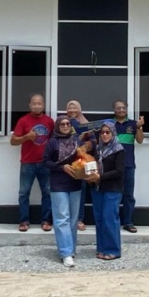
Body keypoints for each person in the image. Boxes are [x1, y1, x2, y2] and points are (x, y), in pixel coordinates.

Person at [43, 115, 85, 268]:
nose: (66, 126)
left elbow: (83, 157)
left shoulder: (76, 141)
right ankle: (65, 253)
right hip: (58, 184)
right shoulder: (52, 142)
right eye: (62, 124)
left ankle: (71, 249)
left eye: (68, 124)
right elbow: (45, 161)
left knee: (73, 219)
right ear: (58, 126)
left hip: (75, 183)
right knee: (62, 218)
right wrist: (62, 167)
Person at [10, 93, 54, 232]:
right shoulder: (23, 121)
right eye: (34, 103)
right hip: (28, 162)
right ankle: (24, 221)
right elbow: (13, 141)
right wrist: (26, 137)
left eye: (39, 103)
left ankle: (46, 220)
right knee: (24, 193)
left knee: (47, 192)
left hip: (45, 163)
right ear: (30, 105)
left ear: (43, 105)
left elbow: (54, 141)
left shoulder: (49, 121)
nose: (37, 106)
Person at [86, 120, 126, 260]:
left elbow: (119, 171)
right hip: (97, 188)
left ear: (113, 133)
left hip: (112, 189)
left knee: (110, 219)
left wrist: (100, 177)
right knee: (100, 219)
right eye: (102, 132)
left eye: (107, 132)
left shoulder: (118, 149)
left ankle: (113, 250)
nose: (104, 135)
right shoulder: (98, 149)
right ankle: (102, 248)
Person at [107, 98, 146, 233]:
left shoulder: (133, 124)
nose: (121, 110)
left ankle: (128, 222)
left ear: (127, 108)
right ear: (114, 109)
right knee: (113, 194)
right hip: (112, 166)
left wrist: (140, 127)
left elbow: (140, 140)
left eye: (123, 107)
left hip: (128, 164)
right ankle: (113, 222)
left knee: (128, 195)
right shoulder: (109, 124)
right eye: (119, 108)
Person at [63, 99, 91, 232]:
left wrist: (85, 146)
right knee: (63, 191)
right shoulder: (63, 123)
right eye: (70, 108)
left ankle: (79, 219)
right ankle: (65, 218)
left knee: (81, 191)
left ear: (79, 109)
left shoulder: (86, 124)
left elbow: (93, 141)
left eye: (75, 108)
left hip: (80, 162)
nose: (72, 111)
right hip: (65, 162)